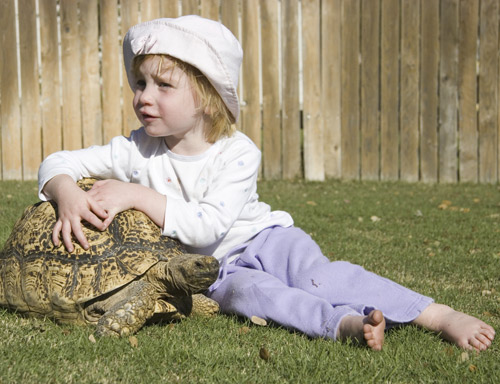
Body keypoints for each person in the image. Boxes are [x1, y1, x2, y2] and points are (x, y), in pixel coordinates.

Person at [38, 15, 495, 351]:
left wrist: (135, 194)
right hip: (217, 272)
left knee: (319, 276)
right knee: (258, 297)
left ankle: (436, 315)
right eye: (139, 83)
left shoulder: (238, 152)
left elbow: (207, 225)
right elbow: (56, 160)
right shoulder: (134, 150)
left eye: (163, 85)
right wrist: (66, 191)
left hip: (265, 239)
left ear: (206, 94)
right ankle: (346, 326)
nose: (144, 97)